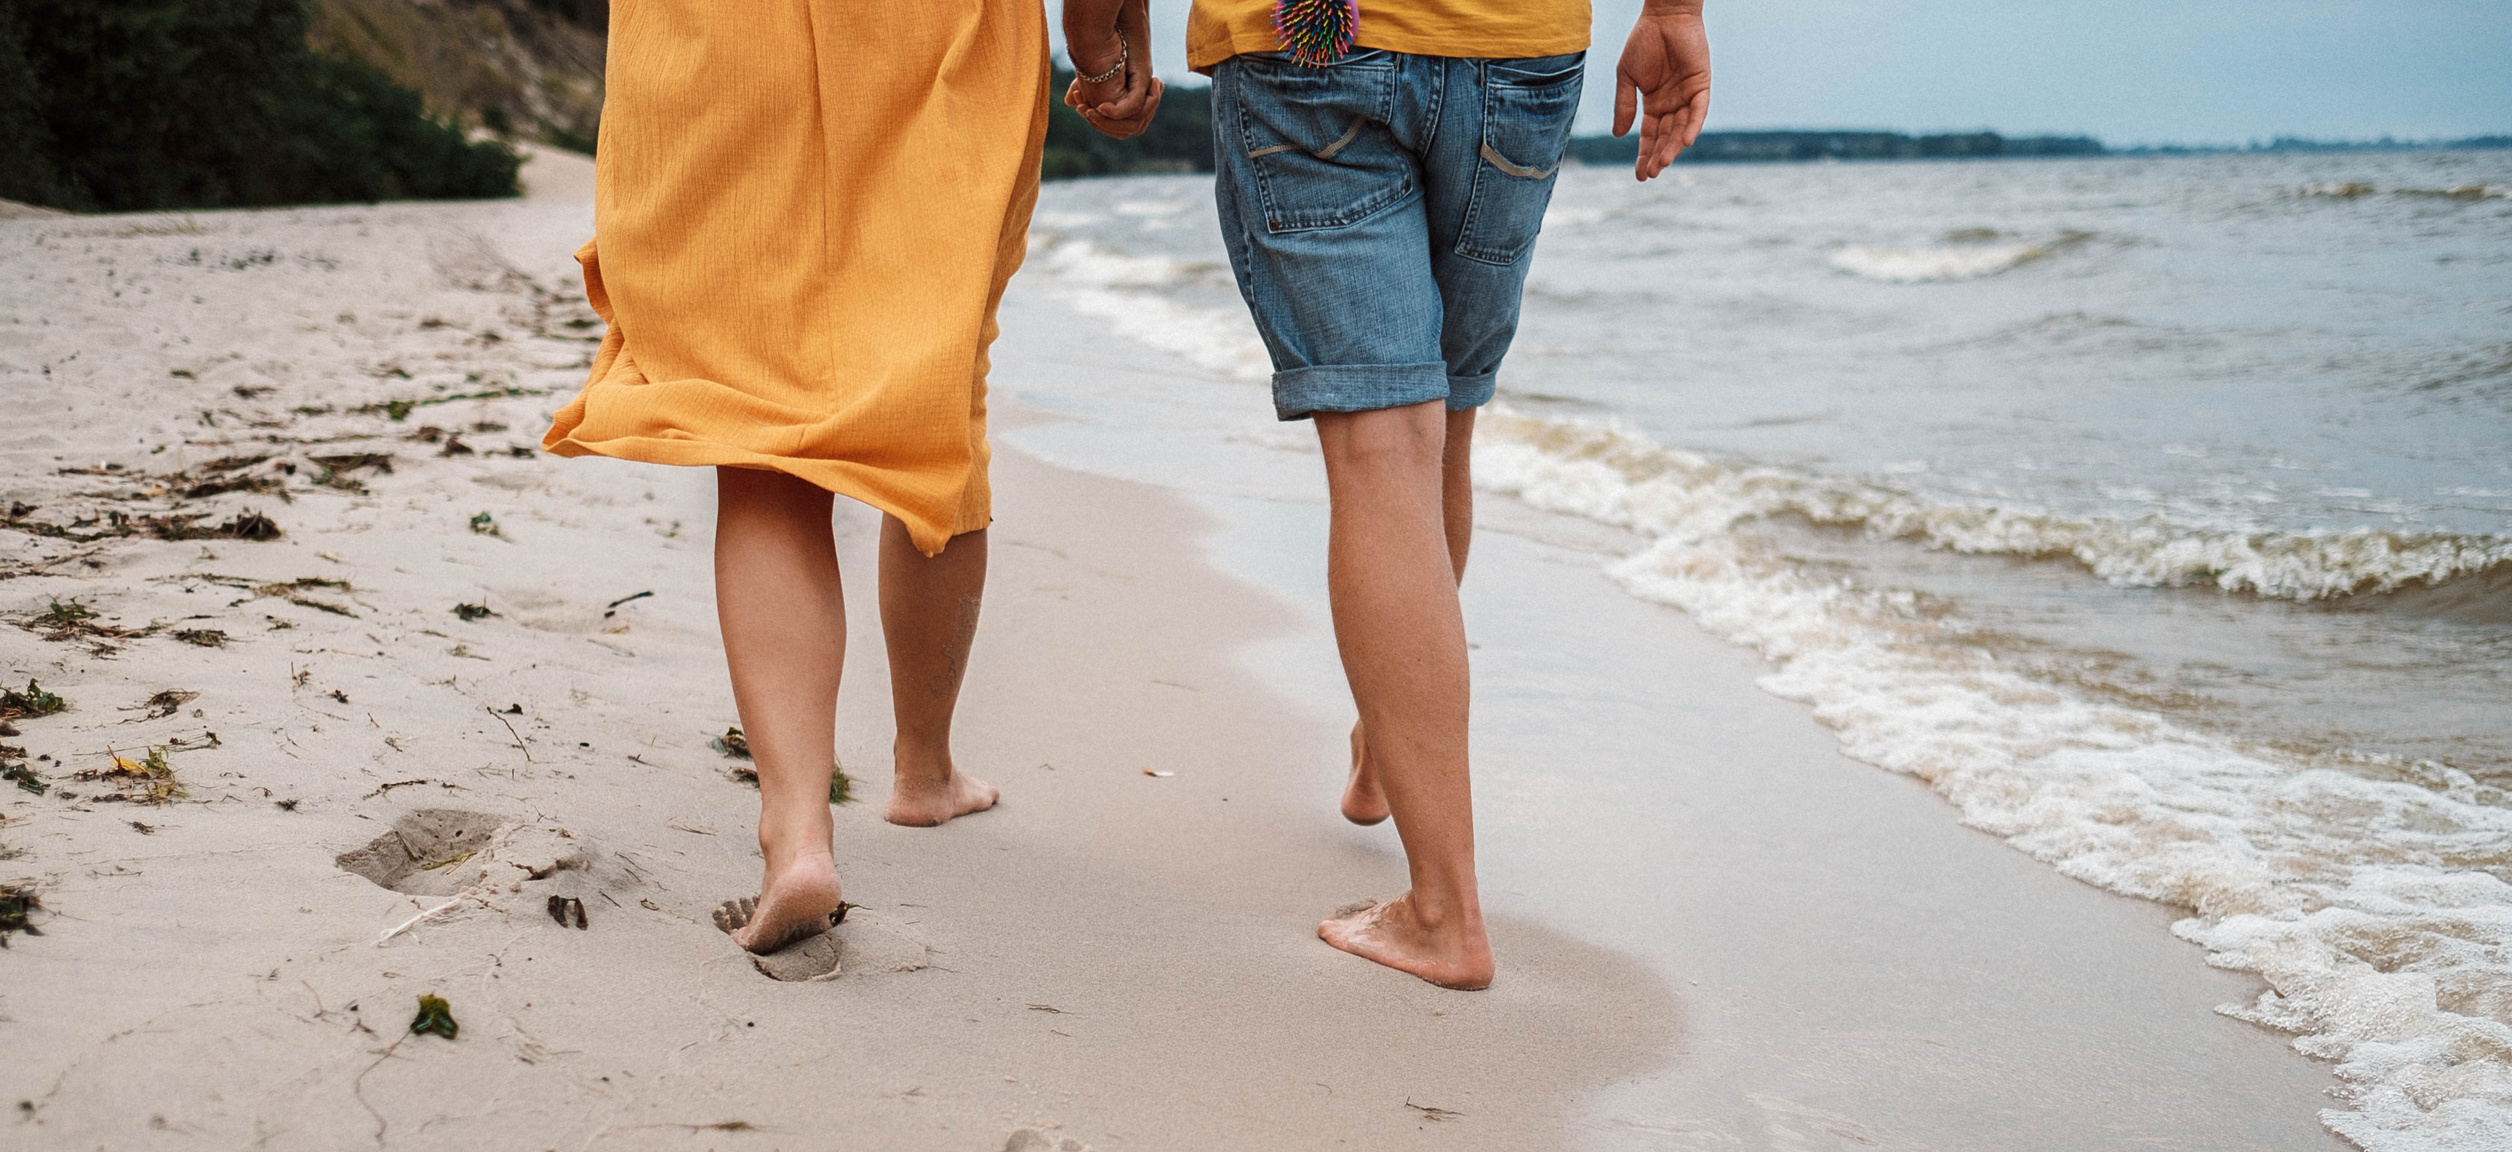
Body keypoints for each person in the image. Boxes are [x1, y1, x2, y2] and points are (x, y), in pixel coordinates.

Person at [544, 3, 1162, 957]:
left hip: (714, 40)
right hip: (933, 36)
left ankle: (796, 834)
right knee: (939, 380)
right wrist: (1102, 45)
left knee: (754, 430)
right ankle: (924, 770)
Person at [1191, 0, 1712, 988]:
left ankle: (1442, 913)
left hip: (1311, 45)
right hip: (1512, 42)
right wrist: (1674, 10)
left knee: (1388, 439)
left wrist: (1099, 32)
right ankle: (1391, 748)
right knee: (1442, 417)